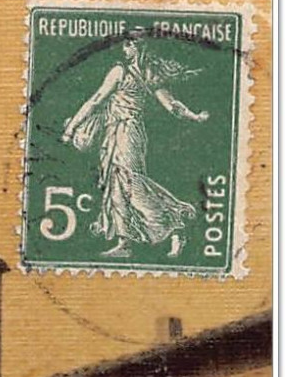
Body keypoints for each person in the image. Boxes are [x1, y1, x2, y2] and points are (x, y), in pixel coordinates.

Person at [62, 29, 208, 258]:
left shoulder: (121, 71)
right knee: (116, 184)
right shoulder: (149, 74)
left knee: (131, 183)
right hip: (119, 132)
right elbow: (173, 106)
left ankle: (175, 226)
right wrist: (194, 116)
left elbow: (96, 100)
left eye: (129, 45)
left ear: (138, 47)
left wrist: (71, 128)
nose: (124, 49)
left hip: (126, 132)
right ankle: (125, 242)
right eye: (125, 45)